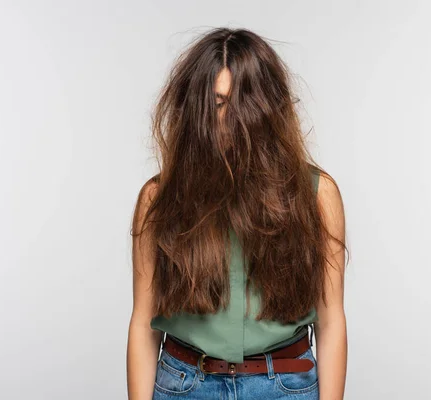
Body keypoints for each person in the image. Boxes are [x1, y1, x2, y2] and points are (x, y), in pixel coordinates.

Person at [127, 27, 348, 400]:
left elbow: (331, 323)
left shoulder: (316, 194)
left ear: (268, 108)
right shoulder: (158, 198)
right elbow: (143, 325)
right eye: (216, 104)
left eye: (243, 104)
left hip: (285, 386)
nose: (230, 120)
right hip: (185, 386)